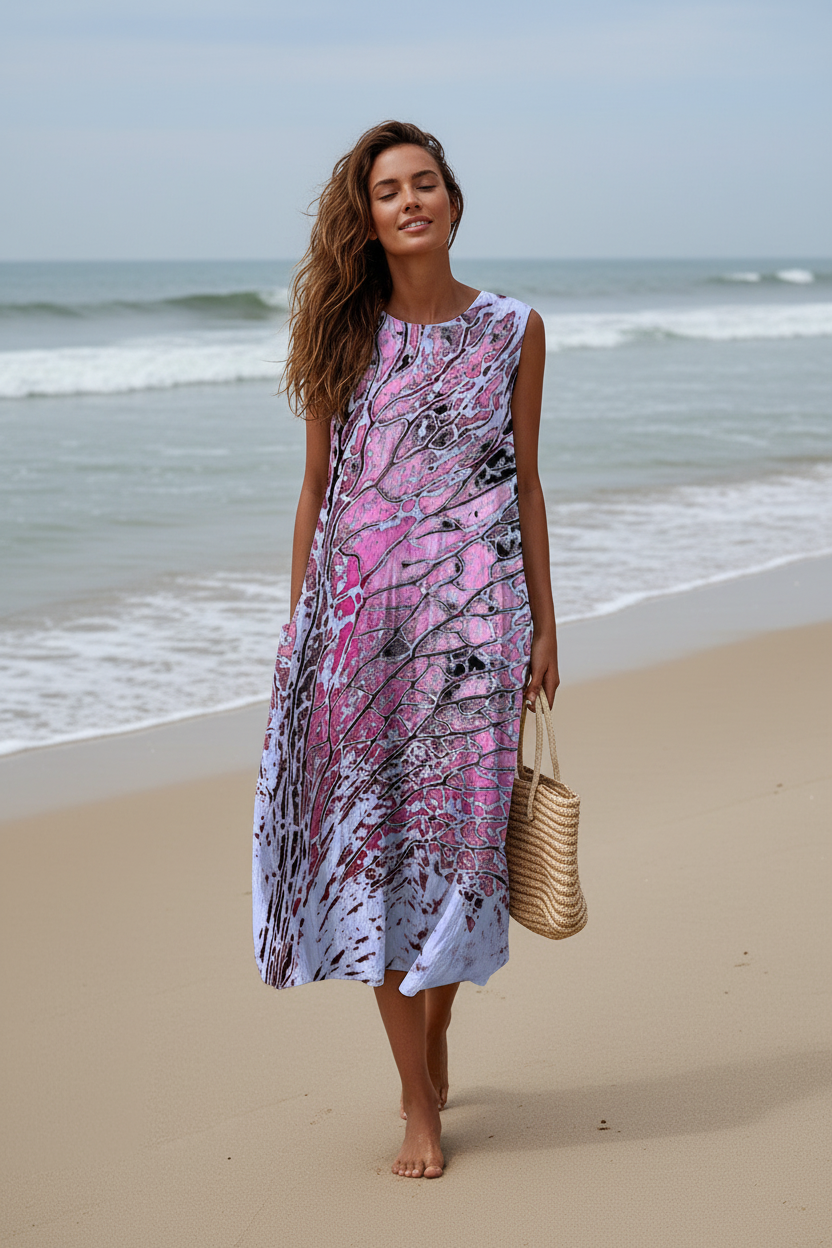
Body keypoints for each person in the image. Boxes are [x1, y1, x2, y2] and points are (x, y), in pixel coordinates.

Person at [253, 120, 559, 1179]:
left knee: (463, 854)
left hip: (477, 632)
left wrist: (545, 625)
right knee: (380, 859)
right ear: (369, 219)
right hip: (360, 632)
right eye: (388, 191)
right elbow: (315, 491)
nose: (410, 201)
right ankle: (417, 1105)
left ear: (453, 203)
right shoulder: (343, 334)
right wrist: (304, 630)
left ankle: (435, 1025)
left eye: (425, 183)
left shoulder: (514, 330)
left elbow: (524, 483)